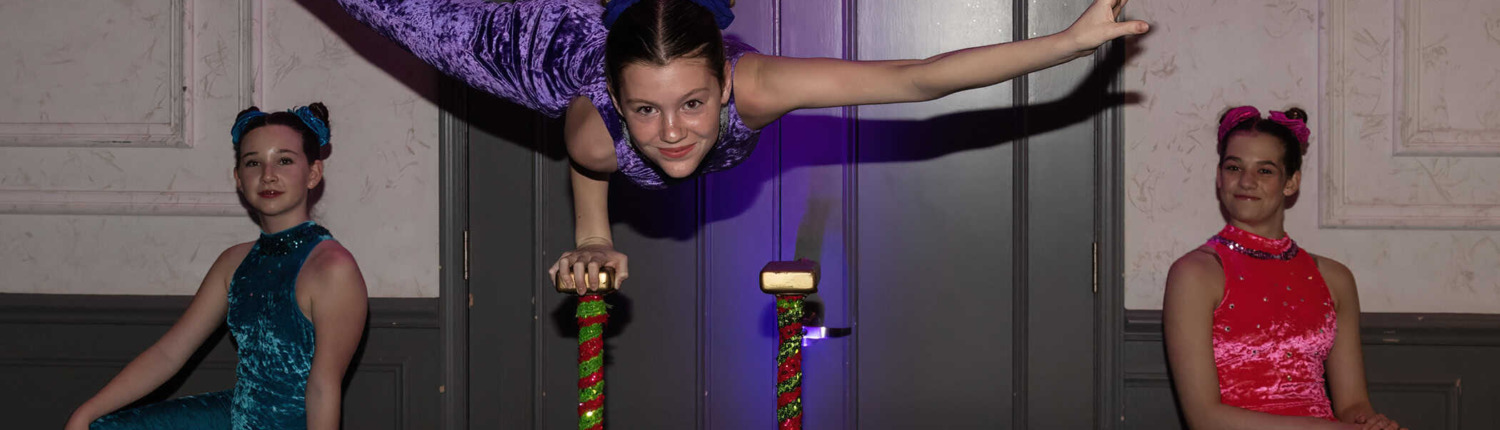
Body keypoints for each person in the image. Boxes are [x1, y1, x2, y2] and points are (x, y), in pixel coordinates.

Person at [330, 0, 1148, 293]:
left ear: (726, 83)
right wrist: (593, 235)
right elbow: (587, 157)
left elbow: (914, 79)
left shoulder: (757, 81)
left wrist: (1065, 45)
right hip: (504, 35)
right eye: (645, 113)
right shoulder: (599, 130)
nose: (674, 132)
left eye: (691, 103)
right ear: (618, 102)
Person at [65, 104, 370, 430]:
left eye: (284, 160)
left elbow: (323, 389)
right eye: (254, 162)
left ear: (312, 173)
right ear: (239, 178)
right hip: (237, 416)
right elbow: (169, 354)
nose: (268, 174)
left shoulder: (333, 269)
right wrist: (85, 414)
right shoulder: (234, 262)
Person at [1162, 106, 1405, 430]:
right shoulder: (1195, 274)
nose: (1246, 181)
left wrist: (1371, 425)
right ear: (1219, 177)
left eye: (1264, 171)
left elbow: (1353, 403)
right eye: (1234, 167)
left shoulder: (1334, 278)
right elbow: (1205, 418)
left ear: (1291, 182)